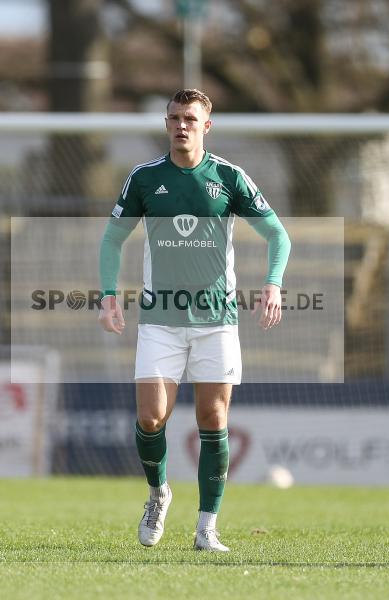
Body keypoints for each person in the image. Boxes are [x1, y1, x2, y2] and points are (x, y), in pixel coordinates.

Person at [97, 89, 290, 552]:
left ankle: (207, 527)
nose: (180, 125)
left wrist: (273, 283)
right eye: (173, 118)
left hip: (216, 320)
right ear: (166, 124)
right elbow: (111, 239)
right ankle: (158, 493)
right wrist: (108, 295)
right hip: (159, 319)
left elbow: (277, 234)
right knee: (150, 418)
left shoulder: (228, 177)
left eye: (189, 118)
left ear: (207, 125)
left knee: (213, 417)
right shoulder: (145, 178)